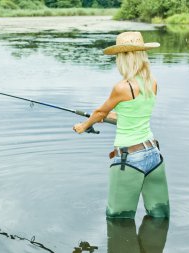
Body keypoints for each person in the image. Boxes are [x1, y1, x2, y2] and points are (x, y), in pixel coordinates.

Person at [73, 32, 170, 219]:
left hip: (130, 159)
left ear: (124, 58)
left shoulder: (123, 87)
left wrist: (84, 126)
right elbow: (131, 116)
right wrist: (105, 117)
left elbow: (100, 112)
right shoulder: (152, 82)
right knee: (160, 215)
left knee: (117, 219)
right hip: (154, 154)